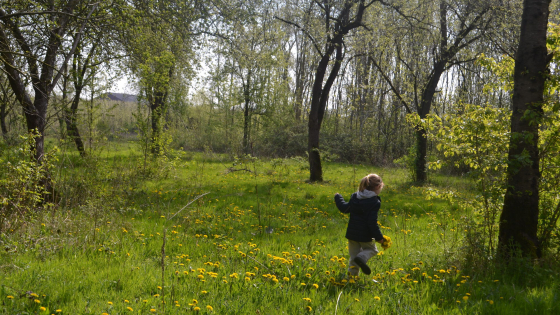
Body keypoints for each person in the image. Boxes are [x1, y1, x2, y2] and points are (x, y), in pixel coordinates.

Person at [334, 174, 384, 276]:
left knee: (353, 258)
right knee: (371, 250)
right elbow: (372, 222)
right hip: (365, 235)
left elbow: (344, 208)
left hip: (352, 234)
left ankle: (351, 279)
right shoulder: (374, 202)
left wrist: (338, 197)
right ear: (378, 187)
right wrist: (379, 237)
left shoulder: (355, 197)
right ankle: (361, 258)